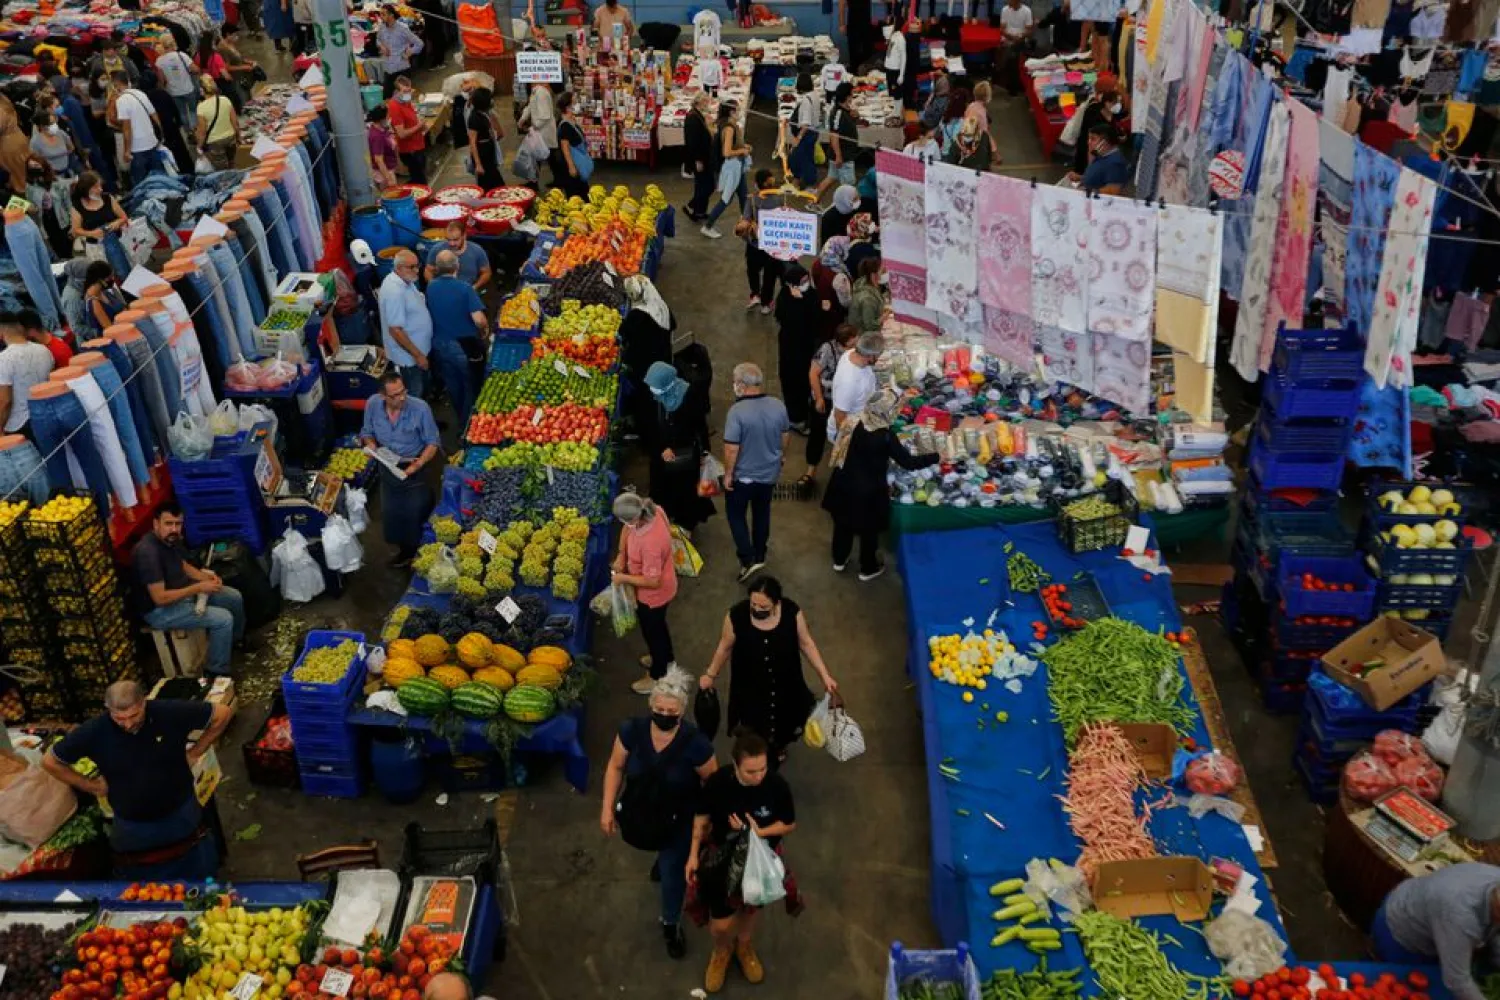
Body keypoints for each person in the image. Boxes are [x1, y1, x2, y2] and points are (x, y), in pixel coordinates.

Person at [43, 681, 231, 878]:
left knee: (198, 868)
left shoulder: (169, 712)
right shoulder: (94, 731)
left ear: (144, 702)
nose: (128, 724)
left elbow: (222, 714)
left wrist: (195, 752)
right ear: (108, 710)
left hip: (180, 811)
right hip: (132, 824)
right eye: (119, 718)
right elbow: (50, 762)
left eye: (134, 715)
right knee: (144, 880)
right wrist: (91, 786)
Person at [600, 666, 718, 960]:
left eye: (672, 712)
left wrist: (704, 828)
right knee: (661, 859)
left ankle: (670, 924)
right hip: (642, 812)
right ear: (651, 706)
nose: (665, 715)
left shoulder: (696, 745)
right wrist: (606, 809)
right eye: (660, 709)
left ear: (682, 712)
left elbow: (712, 784)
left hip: (679, 823)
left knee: (672, 876)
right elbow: (615, 767)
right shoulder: (631, 732)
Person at [688, 728, 800, 993]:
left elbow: (789, 824)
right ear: (735, 764)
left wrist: (758, 832)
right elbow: (701, 819)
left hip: (760, 858)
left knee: (752, 906)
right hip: (723, 859)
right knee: (721, 923)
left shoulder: (776, 786)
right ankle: (721, 951)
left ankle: (745, 946)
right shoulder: (718, 783)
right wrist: (693, 855)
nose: (759, 776)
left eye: (762, 769)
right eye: (751, 771)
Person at [823, 388, 937, 579]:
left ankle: (839, 560)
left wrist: (903, 400)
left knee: (842, 524)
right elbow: (908, 463)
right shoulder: (885, 436)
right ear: (886, 412)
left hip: (843, 483)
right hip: (868, 492)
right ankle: (868, 568)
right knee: (869, 530)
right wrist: (935, 456)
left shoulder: (854, 420)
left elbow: (881, 414)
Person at [132, 503, 248, 675]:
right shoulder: (148, 554)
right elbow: (160, 598)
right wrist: (198, 587)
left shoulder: (170, 540)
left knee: (233, 597)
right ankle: (216, 671)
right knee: (223, 619)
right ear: (156, 524)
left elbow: (182, 564)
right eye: (168, 523)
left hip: (183, 593)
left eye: (177, 524)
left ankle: (234, 641)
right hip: (161, 611)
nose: (173, 529)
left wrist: (206, 578)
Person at [1374, 863, 1500, 1000]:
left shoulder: (1495, 882)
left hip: (1431, 912)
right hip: (1403, 929)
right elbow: (1457, 980)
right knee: (1386, 986)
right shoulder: (1460, 916)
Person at [360, 371, 441, 567]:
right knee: (393, 513)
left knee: (417, 513)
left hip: (415, 468)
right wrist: (370, 444)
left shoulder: (420, 409)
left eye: (403, 391)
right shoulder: (373, 404)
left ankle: (425, 552)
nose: (402, 397)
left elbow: (432, 442)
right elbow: (367, 432)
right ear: (383, 396)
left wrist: (417, 465)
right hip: (387, 466)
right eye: (395, 395)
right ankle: (405, 552)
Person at [722, 363, 789, 581]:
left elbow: (732, 448)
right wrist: (781, 456)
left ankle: (747, 558)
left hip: (743, 477)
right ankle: (760, 554)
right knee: (762, 512)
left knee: (735, 515)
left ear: (741, 384)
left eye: (734, 381)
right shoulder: (777, 405)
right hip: (769, 475)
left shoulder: (737, 412)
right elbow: (785, 435)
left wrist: (728, 474)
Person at [612, 491, 680, 694]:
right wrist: (621, 555)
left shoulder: (650, 542)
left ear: (634, 518)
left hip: (654, 596)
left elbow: (652, 581)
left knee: (654, 632)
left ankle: (658, 675)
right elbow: (626, 529)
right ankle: (664, 658)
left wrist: (622, 578)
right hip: (659, 588)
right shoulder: (652, 509)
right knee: (657, 628)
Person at [643, 361, 715, 533]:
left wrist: (705, 450)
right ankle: (663, 517)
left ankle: (685, 524)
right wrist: (661, 448)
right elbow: (647, 427)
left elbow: (699, 426)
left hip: (685, 455)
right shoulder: (653, 397)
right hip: (661, 457)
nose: (653, 391)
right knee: (662, 488)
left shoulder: (689, 395)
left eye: (656, 387)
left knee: (685, 490)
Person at [424, 249, 485, 428]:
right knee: (470, 386)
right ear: (457, 265)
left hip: (440, 346)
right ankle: (468, 427)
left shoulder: (431, 287)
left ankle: (460, 420)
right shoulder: (465, 289)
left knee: (453, 385)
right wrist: (484, 330)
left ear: (436, 268)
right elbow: (479, 319)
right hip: (462, 346)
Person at [803, 322, 858, 487]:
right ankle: (811, 469)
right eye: (854, 340)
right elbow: (813, 373)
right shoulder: (827, 349)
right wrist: (819, 399)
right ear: (846, 341)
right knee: (818, 433)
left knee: (845, 433)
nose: (857, 342)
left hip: (844, 399)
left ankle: (842, 469)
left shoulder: (854, 351)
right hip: (826, 398)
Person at [620, 274, 675, 437]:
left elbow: (624, 333)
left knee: (645, 401)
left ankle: (646, 434)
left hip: (645, 366)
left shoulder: (638, 315)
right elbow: (673, 323)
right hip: (663, 358)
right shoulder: (660, 306)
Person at [378, 249, 434, 399]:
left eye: (417, 265)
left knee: (423, 386)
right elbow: (395, 330)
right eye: (412, 267)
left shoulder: (405, 281)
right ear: (399, 268)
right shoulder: (394, 292)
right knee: (415, 392)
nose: (417, 270)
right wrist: (418, 355)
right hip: (409, 358)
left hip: (418, 350)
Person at [0, 311, 55, 439]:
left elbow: (5, 401)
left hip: (20, 424)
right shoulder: (44, 350)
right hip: (49, 412)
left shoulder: (4, 359)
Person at [701, 103, 751, 239]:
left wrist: (743, 146)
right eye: (737, 110)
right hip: (732, 167)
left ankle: (746, 222)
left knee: (744, 195)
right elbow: (727, 152)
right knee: (726, 199)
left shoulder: (730, 126)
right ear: (731, 112)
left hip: (737, 166)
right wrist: (743, 150)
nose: (740, 112)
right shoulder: (729, 129)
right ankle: (708, 226)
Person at [109, 71, 163, 187]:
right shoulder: (140, 94)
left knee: (141, 183)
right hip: (152, 141)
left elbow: (127, 128)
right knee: (160, 178)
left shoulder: (122, 101)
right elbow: (155, 116)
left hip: (137, 148)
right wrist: (160, 135)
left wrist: (127, 151)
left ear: (116, 84)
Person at [827, 329, 882, 444]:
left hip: (860, 418)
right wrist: (846, 443)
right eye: (878, 355)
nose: (880, 357)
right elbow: (840, 415)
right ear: (870, 357)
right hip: (849, 428)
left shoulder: (852, 353)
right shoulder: (849, 382)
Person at [71, 172, 128, 278]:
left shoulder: (107, 198)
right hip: (95, 245)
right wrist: (92, 233)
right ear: (86, 189)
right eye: (95, 187)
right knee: (104, 276)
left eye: (100, 185)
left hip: (115, 239)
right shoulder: (77, 206)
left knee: (123, 272)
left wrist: (117, 222)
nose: (100, 189)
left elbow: (124, 217)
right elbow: (76, 230)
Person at [739, 168, 781, 312]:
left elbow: (745, 219)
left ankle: (755, 294)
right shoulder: (779, 199)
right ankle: (766, 302)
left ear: (757, 184)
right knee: (770, 275)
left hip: (754, 244)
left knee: (752, 270)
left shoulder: (752, 199)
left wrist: (744, 226)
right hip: (772, 246)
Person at [1068, 73, 1125, 179]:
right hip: (1089, 157)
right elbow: (1093, 140)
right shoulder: (1094, 109)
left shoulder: (1106, 108)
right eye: (1113, 87)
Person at [424, 219, 492, 289]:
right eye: (448, 239)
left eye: (455, 240)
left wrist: (474, 287)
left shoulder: (477, 250)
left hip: (467, 290)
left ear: (464, 236)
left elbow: (486, 272)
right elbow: (428, 270)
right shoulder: (437, 249)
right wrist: (433, 285)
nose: (451, 243)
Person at [518, 80, 560, 187]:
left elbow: (545, 116)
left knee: (549, 157)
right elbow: (530, 106)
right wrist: (523, 119)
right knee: (541, 158)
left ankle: (559, 181)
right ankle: (534, 182)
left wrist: (534, 127)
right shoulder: (535, 92)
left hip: (544, 132)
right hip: (540, 131)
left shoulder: (541, 93)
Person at [388, 76, 428, 185]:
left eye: (409, 90)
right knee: (420, 181)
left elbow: (412, 118)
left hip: (418, 145)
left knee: (421, 175)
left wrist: (421, 125)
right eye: (405, 91)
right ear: (397, 91)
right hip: (410, 150)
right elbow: (401, 134)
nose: (408, 93)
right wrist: (419, 126)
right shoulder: (394, 106)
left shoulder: (406, 100)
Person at [195, 77, 240, 171]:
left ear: (202, 90)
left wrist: (199, 146)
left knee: (222, 169)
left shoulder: (201, 107)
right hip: (230, 138)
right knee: (232, 162)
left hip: (215, 143)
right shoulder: (225, 99)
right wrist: (238, 136)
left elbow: (202, 132)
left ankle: (229, 183)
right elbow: (235, 122)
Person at [784, 73, 821, 190]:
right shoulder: (815, 95)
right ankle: (799, 181)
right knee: (806, 157)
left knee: (800, 158)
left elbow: (805, 123)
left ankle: (809, 184)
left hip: (806, 133)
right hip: (814, 131)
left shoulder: (806, 100)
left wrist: (798, 138)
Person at [683, 94, 716, 222]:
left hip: (705, 157)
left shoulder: (697, 115)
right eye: (706, 102)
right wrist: (697, 160)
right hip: (700, 158)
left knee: (702, 185)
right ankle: (692, 206)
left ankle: (700, 211)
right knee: (707, 185)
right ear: (699, 102)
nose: (708, 104)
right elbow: (692, 142)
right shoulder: (693, 118)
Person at [155, 37, 199, 129]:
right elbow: (195, 69)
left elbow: (161, 80)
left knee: (182, 112)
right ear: (173, 44)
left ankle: (188, 131)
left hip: (173, 91)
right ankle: (195, 129)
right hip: (188, 88)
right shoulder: (182, 55)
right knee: (192, 110)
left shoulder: (159, 61)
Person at [378, 7, 423, 98]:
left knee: (405, 98)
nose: (381, 17)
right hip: (388, 69)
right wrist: (382, 46)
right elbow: (378, 39)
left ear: (391, 15)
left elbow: (419, 43)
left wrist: (409, 53)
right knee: (387, 98)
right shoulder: (382, 27)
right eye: (380, 14)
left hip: (401, 69)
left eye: (383, 14)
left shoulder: (402, 28)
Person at [466, 86, 505, 190]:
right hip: (482, 156)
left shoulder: (486, 114)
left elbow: (500, 133)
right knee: (491, 185)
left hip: (489, 153)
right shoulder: (474, 118)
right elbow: (473, 143)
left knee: (493, 183)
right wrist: (478, 164)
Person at [825, 82, 860, 193]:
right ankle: (842, 207)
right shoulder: (838, 113)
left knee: (830, 178)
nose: (853, 96)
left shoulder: (845, 110)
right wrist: (839, 156)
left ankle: (814, 202)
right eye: (852, 93)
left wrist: (855, 116)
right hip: (844, 156)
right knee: (848, 187)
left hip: (841, 154)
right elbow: (834, 135)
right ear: (847, 96)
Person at [556, 92, 591, 199]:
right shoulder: (565, 125)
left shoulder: (571, 120)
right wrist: (571, 166)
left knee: (583, 190)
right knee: (576, 194)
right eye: (574, 102)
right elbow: (564, 146)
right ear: (568, 106)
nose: (576, 104)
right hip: (572, 163)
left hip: (578, 162)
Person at [997, 0, 1035, 93]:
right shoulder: (1004, 10)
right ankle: (1009, 84)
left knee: (1014, 53)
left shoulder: (1027, 11)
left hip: (1021, 40)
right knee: (1008, 51)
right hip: (1008, 39)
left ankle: (1017, 85)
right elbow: (1002, 29)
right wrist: (1010, 37)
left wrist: (1020, 36)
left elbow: (1029, 31)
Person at [1080, 123, 1129, 194]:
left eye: (1093, 139)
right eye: (1089, 138)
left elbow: (1113, 190)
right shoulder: (1101, 154)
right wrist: (1080, 177)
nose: (1088, 142)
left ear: (1105, 142)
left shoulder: (1115, 163)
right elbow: (1098, 176)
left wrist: (1086, 191)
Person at [82, 261, 127, 338]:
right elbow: (110, 329)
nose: (113, 279)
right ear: (101, 280)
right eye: (110, 277)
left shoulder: (104, 291)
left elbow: (122, 307)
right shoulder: (94, 302)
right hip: (118, 337)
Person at [29, 111, 74, 176]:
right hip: (52, 175)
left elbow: (71, 148)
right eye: (51, 123)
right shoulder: (35, 142)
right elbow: (35, 162)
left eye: (55, 122)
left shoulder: (61, 133)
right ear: (42, 126)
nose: (55, 125)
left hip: (68, 170)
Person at [367, 105, 400, 189]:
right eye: (387, 116)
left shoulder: (383, 129)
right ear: (381, 119)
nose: (389, 118)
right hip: (384, 173)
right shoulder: (377, 136)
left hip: (390, 167)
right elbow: (379, 160)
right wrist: (389, 179)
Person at [883, 21, 908, 104]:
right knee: (890, 91)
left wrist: (901, 74)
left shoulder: (900, 39)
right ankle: (891, 109)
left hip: (895, 70)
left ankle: (897, 111)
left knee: (897, 93)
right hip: (888, 68)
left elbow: (904, 57)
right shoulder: (892, 37)